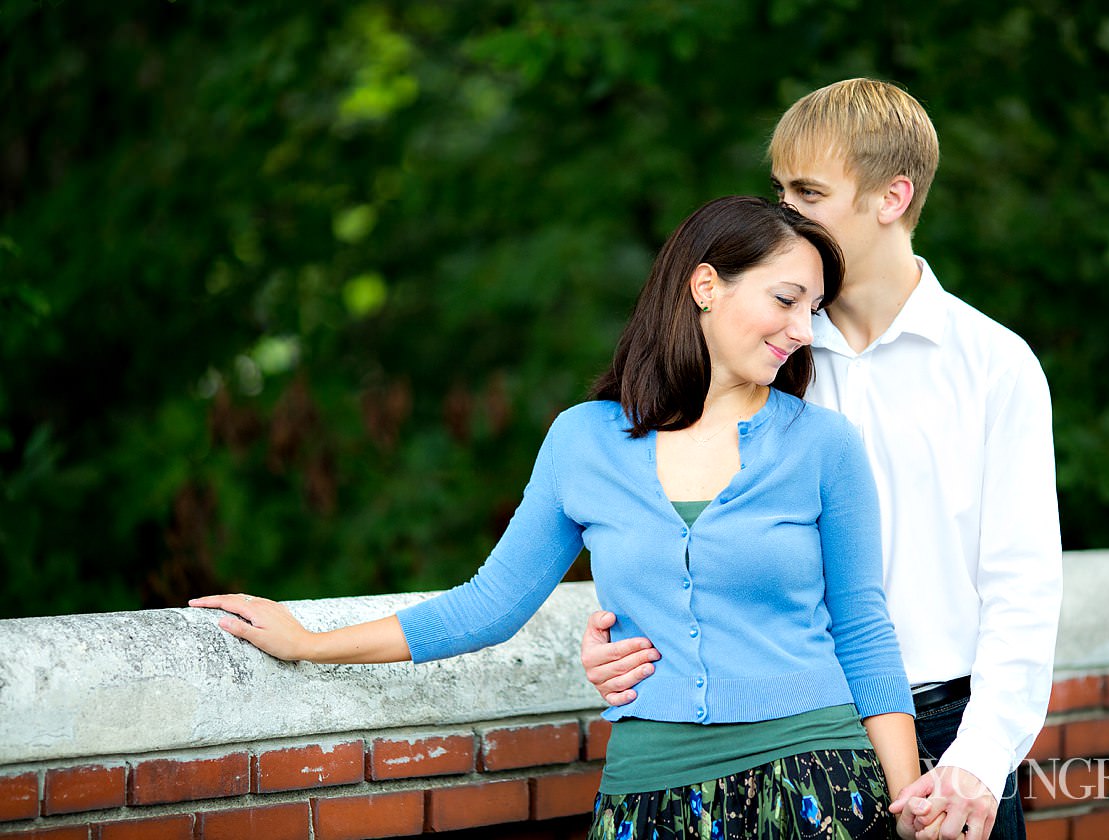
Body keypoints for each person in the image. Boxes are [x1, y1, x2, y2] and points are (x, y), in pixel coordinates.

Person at [191, 195, 921, 839]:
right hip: (650, 792)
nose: (803, 327)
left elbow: (862, 627)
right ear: (706, 285)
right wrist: (310, 643)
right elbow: (490, 604)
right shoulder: (585, 441)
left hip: (816, 783)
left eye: (814, 310)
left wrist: (903, 804)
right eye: (787, 299)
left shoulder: (823, 445)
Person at [579, 80, 1063, 840]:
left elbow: (1022, 588)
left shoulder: (994, 366)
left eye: (808, 191)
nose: (783, 212)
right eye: (777, 188)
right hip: (804, 740)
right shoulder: (764, 349)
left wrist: (979, 759)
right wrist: (621, 633)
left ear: (892, 197)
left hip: (952, 736)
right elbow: (675, 514)